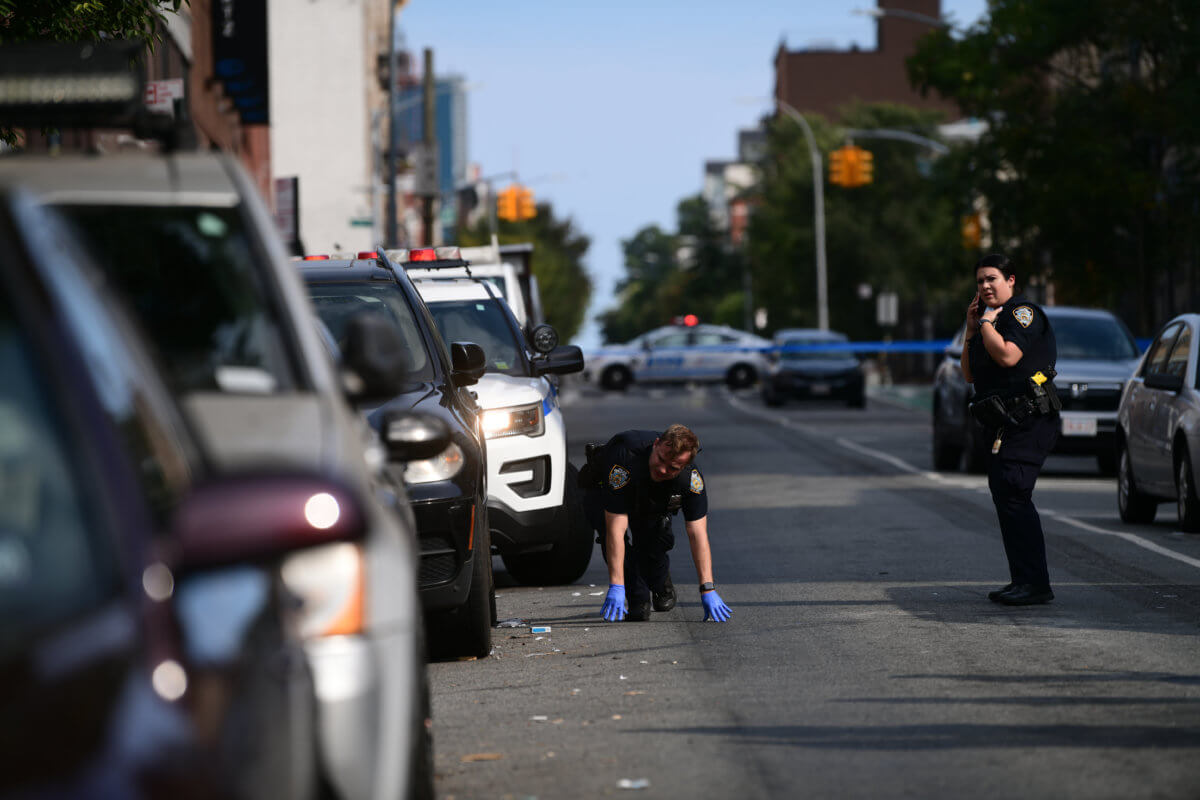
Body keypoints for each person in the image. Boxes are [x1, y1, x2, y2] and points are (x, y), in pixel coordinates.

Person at [962, 253, 1060, 606]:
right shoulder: (988, 322)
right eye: (980, 282)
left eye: (992, 278)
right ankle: (1022, 580)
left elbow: (1008, 357)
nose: (985, 286)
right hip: (1004, 423)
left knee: (1015, 493)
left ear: (1011, 280)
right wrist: (972, 330)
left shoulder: (1022, 314)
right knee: (1006, 495)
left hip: (1030, 419)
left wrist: (986, 324)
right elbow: (970, 374)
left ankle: (1035, 584)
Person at [580, 424, 732, 622]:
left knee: (654, 539)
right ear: (657, 444)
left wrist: (707, 588)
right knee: (638, 610)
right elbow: (616, 529)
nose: (662, 469)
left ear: (684, 467)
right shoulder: (625, 461)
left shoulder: (690, 479)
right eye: (661, 459)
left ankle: (660, 582)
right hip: (604, 488)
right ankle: (637, 597)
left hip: (651, 493)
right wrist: (616, 585)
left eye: (672, 468)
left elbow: (697, 533)